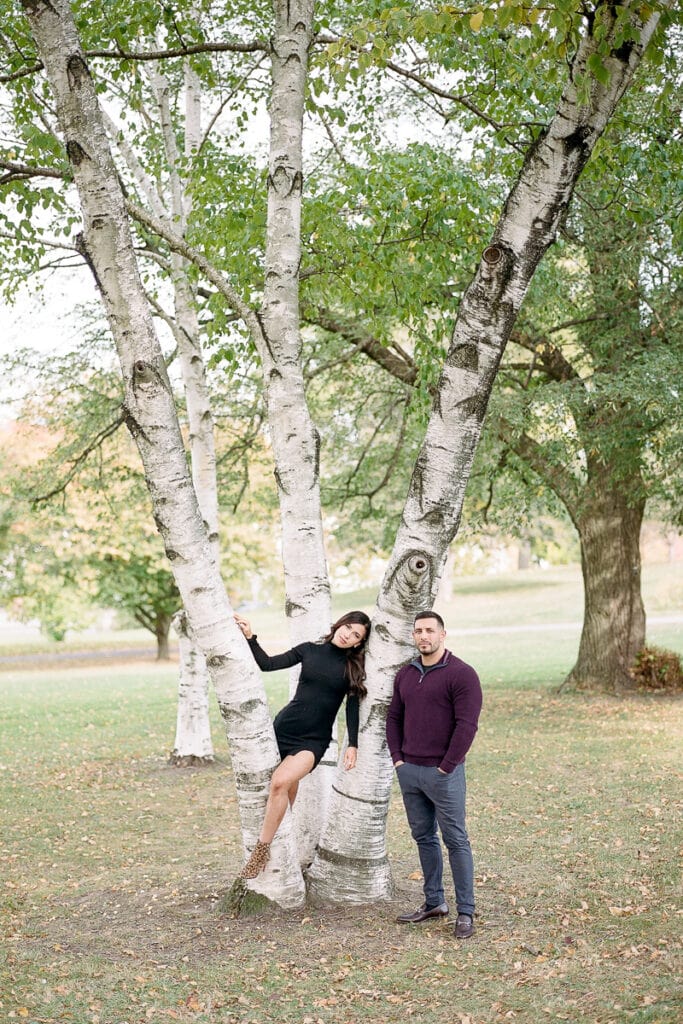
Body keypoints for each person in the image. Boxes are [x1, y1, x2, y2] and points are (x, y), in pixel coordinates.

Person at [234, 609, 371, 879]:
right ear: (340, 624)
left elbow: (352, 708)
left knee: (279, 782)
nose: (348, 635)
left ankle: (261, 850)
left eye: (356, 635)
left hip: (313, 740)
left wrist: (352, 743)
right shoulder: (309, 650)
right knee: (286, 791)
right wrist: (251, 637)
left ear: (358, 643)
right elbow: (268, 664)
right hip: (284, 729)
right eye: (348, 627)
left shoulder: (352, 668)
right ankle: (281, 846)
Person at [386, 610, 483, 939]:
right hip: (409, 771)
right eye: (418, 631)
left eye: (429, 630)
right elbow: (393, 718)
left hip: (445, 774)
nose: (423, 636)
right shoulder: (406, 674)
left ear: (443, 635)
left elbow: (466, 725)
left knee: (455, 840)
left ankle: (465, 912)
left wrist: (447, 765)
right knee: (423, 837)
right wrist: (398, 760)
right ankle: (434, 902)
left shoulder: (462, 674)